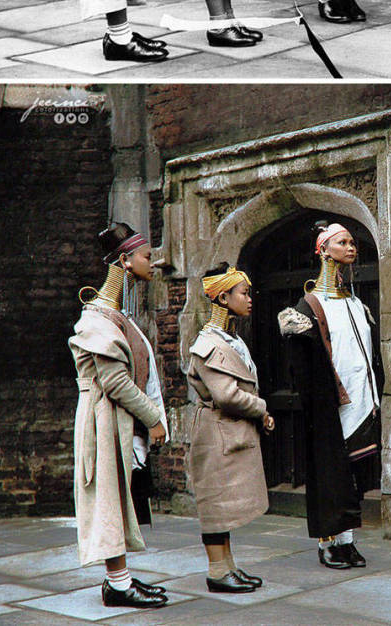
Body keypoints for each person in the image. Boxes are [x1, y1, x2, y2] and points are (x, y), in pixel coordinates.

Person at [68, 222, 169, 609]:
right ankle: (118, 584)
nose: (153, 263)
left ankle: (120, 579)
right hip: (103, 419)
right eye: (146, 257)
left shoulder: (116, 316)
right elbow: (116, 382)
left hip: (116, 418)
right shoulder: (96, 319)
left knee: (120, 497)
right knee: (110, 498)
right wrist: (155, 418)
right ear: (125, 261)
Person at [278, 221, 383, 568]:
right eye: (343, 242)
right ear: (324, 250)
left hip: (362, 400)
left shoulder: (354, 302)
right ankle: (328, 542)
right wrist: (319, 402)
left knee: (351, 475)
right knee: (329, 473)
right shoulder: (308, 305)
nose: (351, 248)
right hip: (330, 404)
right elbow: (301, 364)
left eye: (353, 242)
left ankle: (347, 540)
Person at [187, 264, 275, 593]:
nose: (250, 299)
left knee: (224, 504)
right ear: (223, 297)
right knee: (215, 505)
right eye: (244, 293)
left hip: (229, 431)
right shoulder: (209, 344)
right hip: (216, 431)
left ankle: (228, 566)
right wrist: (262, 409)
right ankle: (216, 571)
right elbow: (227, 395)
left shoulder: (231, 339)